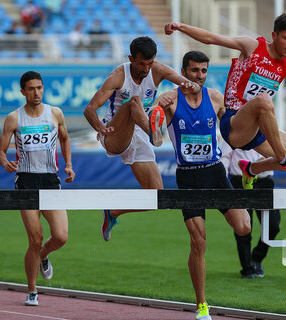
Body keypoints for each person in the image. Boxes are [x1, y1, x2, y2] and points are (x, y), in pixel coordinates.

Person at [164, 14, 286, 189]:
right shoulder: (252, 46)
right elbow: (210, 39)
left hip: (259, 127)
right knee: (263, 101)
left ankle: (252, 168)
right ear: (274, 36)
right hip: (234, 124)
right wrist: (181, 27)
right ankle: (282, 156)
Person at [154, 51, 251, 320]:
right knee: (198, 242)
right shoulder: (170, 100)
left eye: (204, 71)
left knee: (244, 227)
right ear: (183, 71)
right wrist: (157, 110)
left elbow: (234, 129)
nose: (199, 76)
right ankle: (202, 304)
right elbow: (154, 134)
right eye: (195, 70)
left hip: (215, 173)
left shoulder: (216, 98)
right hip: (188, 177)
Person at [84, 36, 200, 242]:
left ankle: (113, 212)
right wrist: (100, 128)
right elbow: (89, 109)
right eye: (141, 64)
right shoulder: (118, 76)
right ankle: (154, 132)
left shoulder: (159, 70)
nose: (146, 69)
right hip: (116, 132)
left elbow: (187, 84)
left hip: (140, 133)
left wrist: (192, 87)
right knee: (133, 102)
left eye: (150, 63)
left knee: (157, 196)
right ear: (131, 59)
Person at [0, 71, 75, 306]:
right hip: (26, 182)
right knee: (35, 237)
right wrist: (5, 163)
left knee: (60, 236)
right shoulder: (14, 118)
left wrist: (68, 165)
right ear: (23, 91)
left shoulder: (55, 113)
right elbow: (0, 151)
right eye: (31, 89)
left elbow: (64, 138)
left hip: (51, 180)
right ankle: (32, 290)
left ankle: (43, 255)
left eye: (39, 88)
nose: (36, 92)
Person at [220, 142, 280, 279]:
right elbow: (224, 156)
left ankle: (257, 258)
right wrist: (223, 182)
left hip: (264, 183)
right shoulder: (234, 130)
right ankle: (247, 268)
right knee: (243, 226)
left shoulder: (268, 131)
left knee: (273, 226)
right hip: (239, 181)